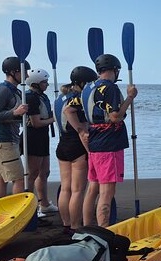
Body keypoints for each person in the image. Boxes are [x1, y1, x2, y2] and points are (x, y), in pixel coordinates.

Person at [81, 54, 137, 227]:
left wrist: (80, 130)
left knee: (92, 189)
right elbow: (115, 117)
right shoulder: (110, 88)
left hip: (94, 143)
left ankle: (86, 226)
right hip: (109, 145)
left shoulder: (88, 87)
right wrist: (129, 97)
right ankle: (103, 231)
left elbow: (70, 109)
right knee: (106, 192)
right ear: (115, 69)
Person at [57, 66, 98, 234]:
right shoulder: (78, 99)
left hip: (62, 144)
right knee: (77, 190)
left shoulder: (60, 98)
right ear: (82, 83)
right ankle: (75, 226)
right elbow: (71, 114)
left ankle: (66, 223)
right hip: (77, 145)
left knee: (65, 187)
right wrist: (82, 131)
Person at [0, 57, 30, 198]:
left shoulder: (15, 91)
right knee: (18, 179)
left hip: (5, 141)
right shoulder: (3, 90)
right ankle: (19, 214)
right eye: (24, 72)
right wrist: (15, 112)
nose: (27, 75)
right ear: (13, 72)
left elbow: (10, 116)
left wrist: (21, 118)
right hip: (2, 141)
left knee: (1, 177)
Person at [22, 68, 58, 219]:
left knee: (44, 172)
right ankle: (29, 208)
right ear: (36, 83)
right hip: (33, 137)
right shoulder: (31, 97)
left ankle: (44, 205)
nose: (47, 84)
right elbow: (36, 123)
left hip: (43, 137)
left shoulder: (41, 96)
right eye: (44, 82)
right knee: (33, 173)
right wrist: (55, 118)